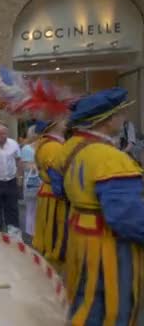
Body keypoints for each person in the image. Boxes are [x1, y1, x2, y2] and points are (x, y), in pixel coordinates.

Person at [49, 88, 144, 325]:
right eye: (121, 113)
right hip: (108, 244)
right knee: (114, 304)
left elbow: (58, 189)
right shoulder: (110, 158)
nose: (124, 118)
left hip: (79, 235)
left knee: (84, 298)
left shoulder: (69, 148)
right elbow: (127, 218)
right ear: (107, 120)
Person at [32, 119, 68, 269]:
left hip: (49, 193)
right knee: (55, 235)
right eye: (62, 118)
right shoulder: (53, 146)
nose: (67, 120)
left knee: (51, 235)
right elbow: (57, 177)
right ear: (54, 124)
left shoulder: (49, 143)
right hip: (54, 198)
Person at [20, 125, 38, 239]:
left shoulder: (43, 147)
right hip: (32, 182)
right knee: (31, 208)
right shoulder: (27, 149)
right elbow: (26, 166)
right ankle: (30, 233)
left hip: (42, 182)